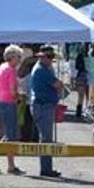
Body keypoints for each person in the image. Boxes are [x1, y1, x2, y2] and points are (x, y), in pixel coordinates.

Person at [0, 45, 25, 175]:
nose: (20, 60)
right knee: (11, 134)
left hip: (1, 101)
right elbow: (13, 91)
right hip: (8, 102)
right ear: (12, 57)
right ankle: (10, 165)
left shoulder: (2, 67)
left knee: (8, 133)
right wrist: (21, 96)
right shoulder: (11, 70)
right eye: (18, 57)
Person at [30, 46, 63, 177]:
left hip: (43, 105)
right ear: (41, 57)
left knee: (45, 138)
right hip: (42, 106)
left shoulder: (45, 68)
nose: (50, 59)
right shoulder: (41, 70)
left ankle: (46, 167)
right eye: (47, 57)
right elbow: (58, 85)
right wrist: (58, 91)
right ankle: (46, 169)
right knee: (46, 139)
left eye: (51, 57)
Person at [73, 44, 92, 117]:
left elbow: (76, 67)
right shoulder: (92, 55)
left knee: (81, 95)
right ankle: (87, 110)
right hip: (90, 75)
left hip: (81, 75)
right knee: (89, 95)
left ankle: (79, 111)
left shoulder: (79, 55)